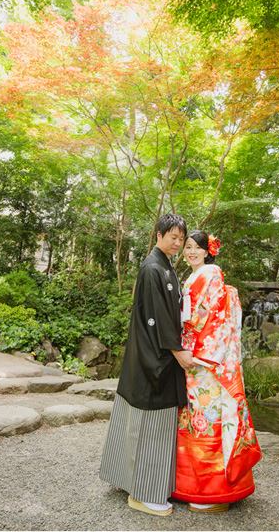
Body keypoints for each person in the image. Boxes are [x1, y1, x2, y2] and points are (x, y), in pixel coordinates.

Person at [99, 214, 192, 517]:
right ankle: (144, 494)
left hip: (152, 353)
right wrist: (178, 353)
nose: (177, 242)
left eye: (181, 238)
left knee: (141, 423)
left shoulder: (164, 266)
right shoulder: (154, 268)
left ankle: (129, 480)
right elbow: (160, 319)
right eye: (173, 236)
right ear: (159, 235)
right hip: (155, 357)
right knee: (152, 427)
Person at [172, 231, 262, 512]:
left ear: (208, 252)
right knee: (199, 419)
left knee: (207, 418)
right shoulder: (195, 275)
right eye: (187, 247)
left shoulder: (209, 274)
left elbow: (209, 316)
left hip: (205, 362)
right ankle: (195, 487)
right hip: (198, 359)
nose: (191, 252)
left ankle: (212, 493)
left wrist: (191, 350)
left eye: (197, 248)